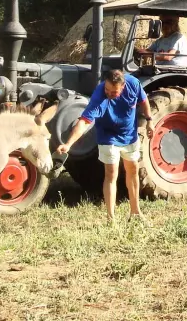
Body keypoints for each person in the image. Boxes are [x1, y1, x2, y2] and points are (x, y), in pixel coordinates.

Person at [57, 69, 153, 224]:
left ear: (123, 86)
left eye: (113, 92)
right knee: (111, 173)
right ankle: (111, 218)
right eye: (107, 89)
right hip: (108, 136)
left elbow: (143, 100)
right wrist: (68, 144)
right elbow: (84, 122)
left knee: (133, 169)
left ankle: (135, 212)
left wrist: (149, 120)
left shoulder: (133, 84)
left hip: (129, 135)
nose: (109, 93)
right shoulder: (99, 95)